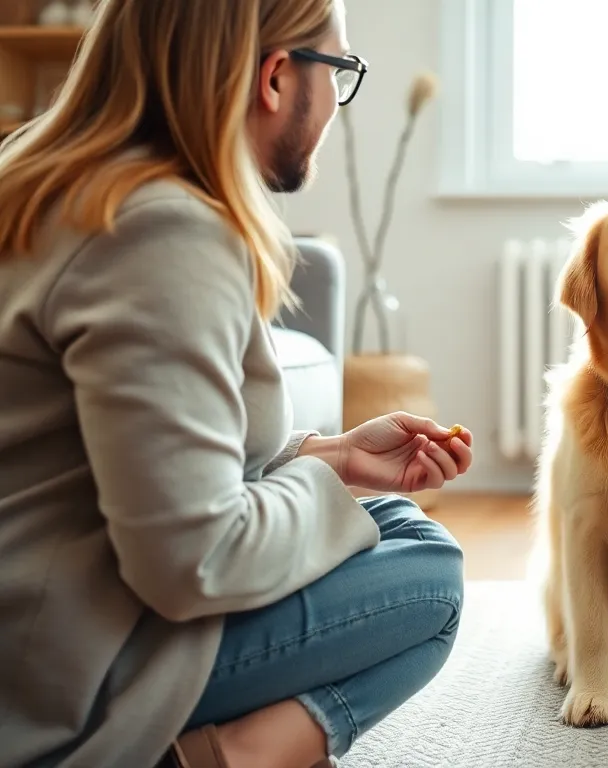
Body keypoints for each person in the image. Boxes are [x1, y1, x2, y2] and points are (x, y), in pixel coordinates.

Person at [0, 1, 471, 766]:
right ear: (278, 77)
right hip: (59, 671)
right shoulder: (160, 231)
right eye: (342, 70)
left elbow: (142, 463)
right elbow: (195, 560)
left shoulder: (55, 187)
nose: (338, 107)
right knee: (427, 576)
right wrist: (326, 490)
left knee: (397, 523)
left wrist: (335, 457)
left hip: (41, 610)